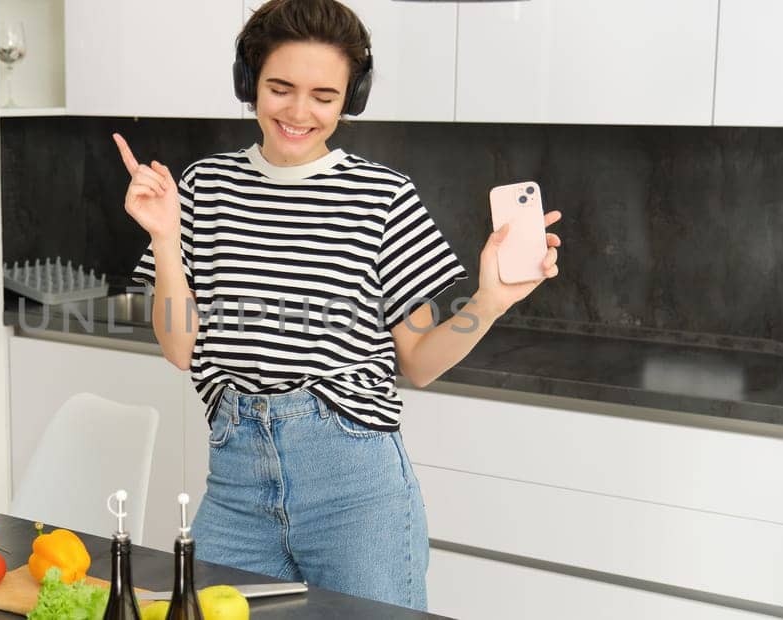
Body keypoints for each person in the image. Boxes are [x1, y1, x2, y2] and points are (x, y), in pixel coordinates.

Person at [116, 0, 561, 610]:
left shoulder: (383, 196)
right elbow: (179, 349)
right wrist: (166, 238)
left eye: (324, 95)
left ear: (350, 99)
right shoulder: (201, 187)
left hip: (356, 489)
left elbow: (421, 363)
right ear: (249, 84)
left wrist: (490, 299)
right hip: (235, 482)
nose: (300, 112)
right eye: (280, 88)